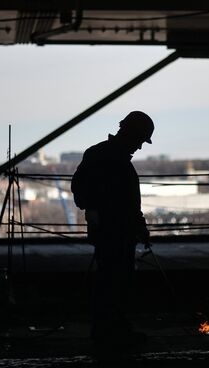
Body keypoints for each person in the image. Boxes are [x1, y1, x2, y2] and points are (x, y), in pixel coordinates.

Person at [70, 111, 153, 349]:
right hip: (113, 233)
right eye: (139, 140)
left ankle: (110, 330)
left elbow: (84, 190)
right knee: (114, 283)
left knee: (114, 281)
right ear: (131, 134)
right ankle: (111, 333)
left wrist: (138, 227)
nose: (139, 147)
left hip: (115, 232)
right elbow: (121, 202)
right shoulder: (111, 159)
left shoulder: (101, 155)